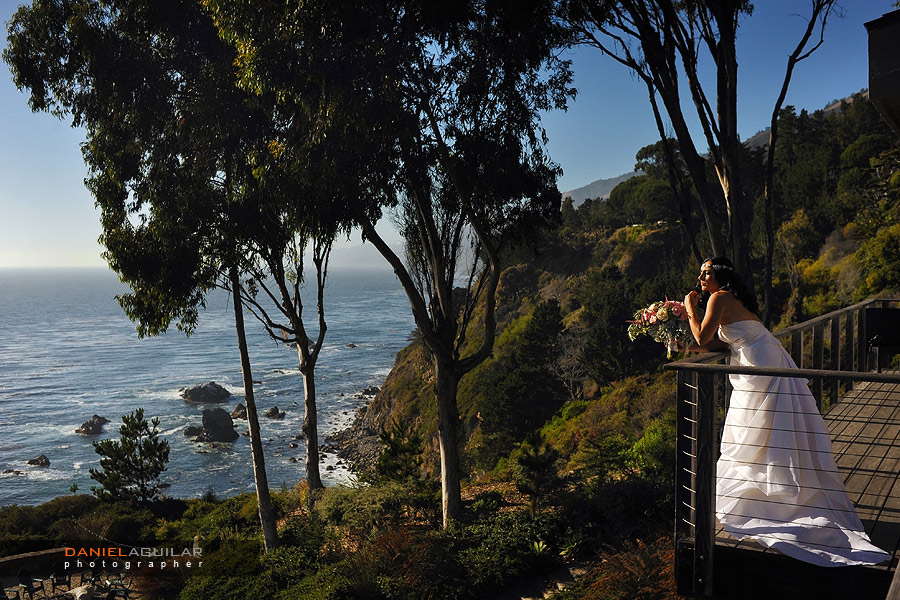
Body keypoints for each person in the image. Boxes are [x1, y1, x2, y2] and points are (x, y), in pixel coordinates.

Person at [681, 257, 889, 567]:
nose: (700, 277)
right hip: (763, 356)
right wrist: (679, 346)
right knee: (766, 425)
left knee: (758, 427)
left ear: (720, 276)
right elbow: (722, 345)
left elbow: (701, 336)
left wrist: (688, 308)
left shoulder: (719, 297)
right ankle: (775, 491)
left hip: (759, 363)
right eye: (700, 273)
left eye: (706, 272)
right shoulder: (731, 299)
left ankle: (775, 495)